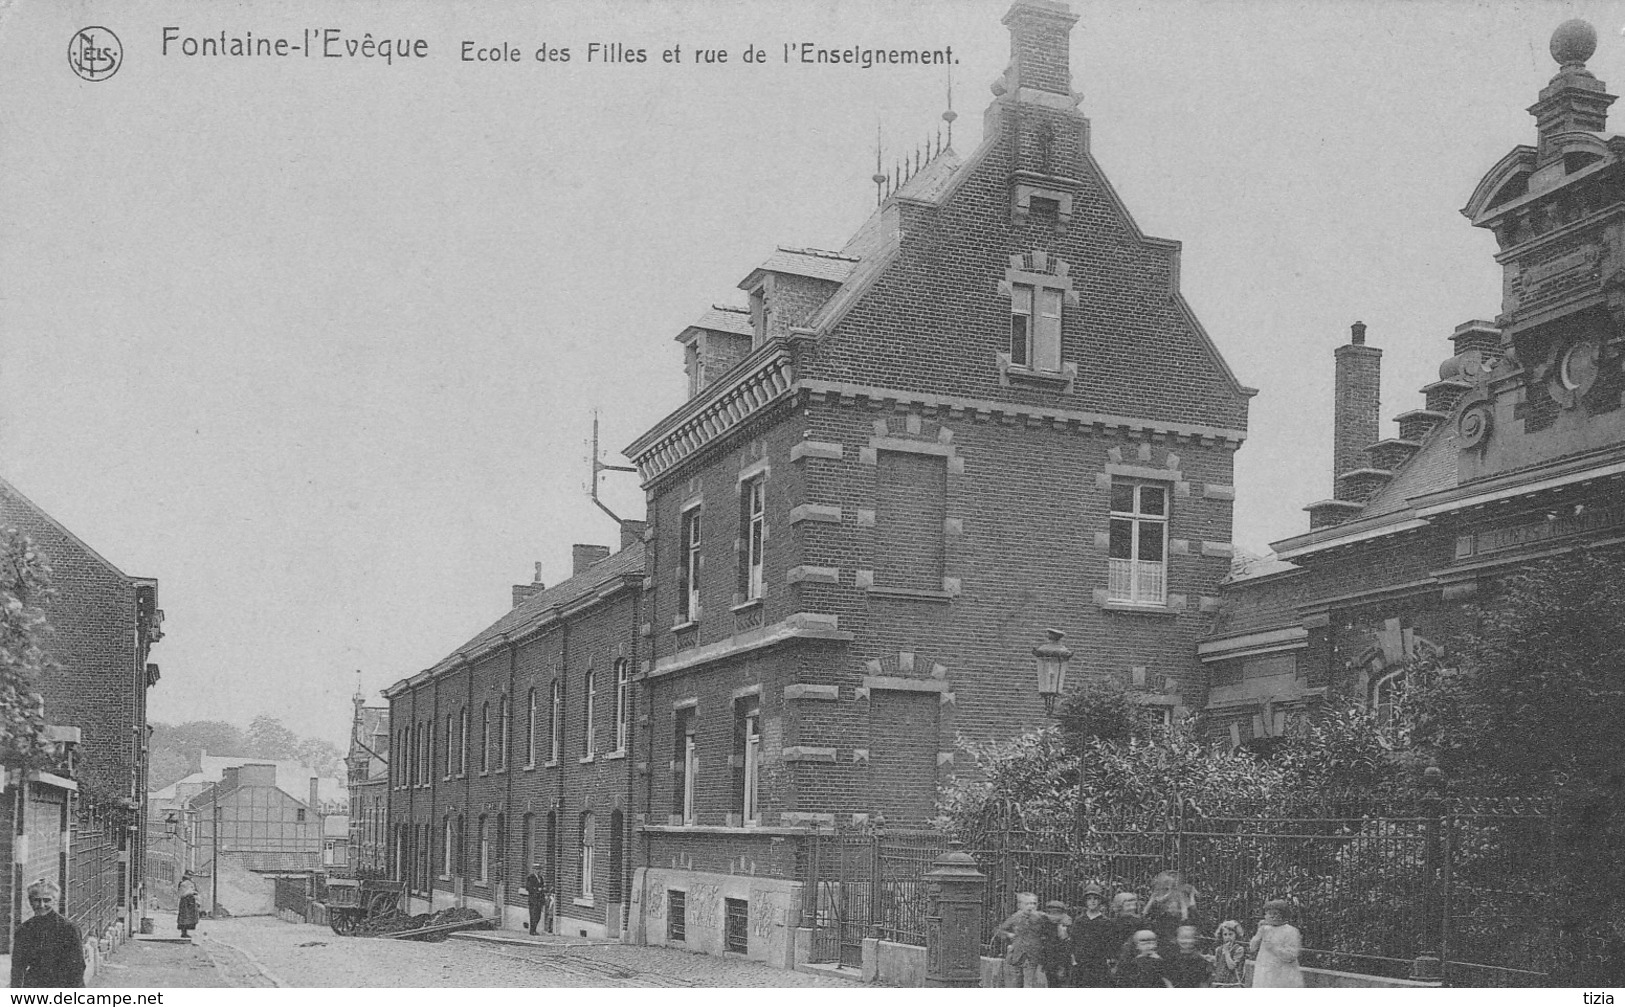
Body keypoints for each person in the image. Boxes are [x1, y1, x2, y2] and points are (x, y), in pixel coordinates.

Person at [11, 880, 85, 988]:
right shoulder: (23, 930)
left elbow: (77, 968)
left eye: (47, 900)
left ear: (55, 901)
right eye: (37, 900)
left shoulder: (69, 929)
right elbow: (17, 968)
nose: (41, 905)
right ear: (30, 901)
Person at [995, 892, 1048, 987]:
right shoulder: (1015, 917)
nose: (1031, 906)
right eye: (1027, 903)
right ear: (1020, 905)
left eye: (1034, 903)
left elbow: (1047, 933)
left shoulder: (1041, 918)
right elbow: (1000, 931)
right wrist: (1009, 935)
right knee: (1014, 983)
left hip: (1033, 954)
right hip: (1016, 954)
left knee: (1030, 983)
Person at [1249, 899, 1305, 988]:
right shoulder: (1264, 929)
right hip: (1264, 973)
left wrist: (1274, 948)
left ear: (1283, 915)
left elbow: (1292, 955)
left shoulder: (1291, 931)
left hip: (1283, 974)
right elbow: (1252, 948)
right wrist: (1258, 934)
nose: (1271, 917)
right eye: (1268, 913)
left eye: (1275, 913)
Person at [1069, 884, 1116, 987]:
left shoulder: (1106, 922)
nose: (1092, 901)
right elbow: (1073, 941)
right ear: (1085, 902)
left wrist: (1109, 960)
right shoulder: (1079, 921)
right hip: (1081, 962)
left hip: (1099, 963)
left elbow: (1110, 943)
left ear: (1100, 901)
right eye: (1089, 899)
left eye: (1096, 898)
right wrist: (1073, 960)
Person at [1143, 870, 1199, 951]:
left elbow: (1186, 910)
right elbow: (1148, 910)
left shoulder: (1180, 893)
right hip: (1165, 922)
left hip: (1176, 922)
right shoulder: (1159, 895)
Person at [1108, 890, 1144, 980]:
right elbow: (1110, 941)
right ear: (1119, 907)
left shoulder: (1140, 922)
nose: (1132, 908)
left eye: (1133, 905)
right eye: (1128, 905)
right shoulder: (1112, 923)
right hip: (1118, 958)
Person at [1040, 900, 1073, 987]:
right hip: (1049, 959)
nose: (1053, 915)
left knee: (1061, 980)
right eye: (1051, 912)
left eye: (1056, 912)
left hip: (1062, 959)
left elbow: (1068, 942)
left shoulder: (1065, 924)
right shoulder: (1045, 923)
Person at [1211, 920, 1247, 987]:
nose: (1228, 937)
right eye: (1225, 934)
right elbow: (1217, 965)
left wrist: (1227, 952)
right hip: (1220, 983)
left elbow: (1231, 967)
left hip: (1233, 983)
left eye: (1230, 934)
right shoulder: (1219, 949)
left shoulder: (1239, 949)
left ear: (1236, 935)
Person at [521, 863, 551, 935]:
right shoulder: (530, 877)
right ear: (534, 870)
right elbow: (528, 888)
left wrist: (544, 889)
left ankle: (534, 929)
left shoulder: (540, 878)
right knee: (533, 915)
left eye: (539, 870)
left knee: (538, 916)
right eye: (537, 869)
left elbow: (542, 886)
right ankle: (532, 931)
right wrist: (537, 889)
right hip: (533, 899)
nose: (538, 871)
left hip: (539, 900)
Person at [177, 872, 200, 939]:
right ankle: (184, 932)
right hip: (186, 901)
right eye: (190, 876)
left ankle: (185, 932)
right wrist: (192, 892)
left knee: (188, 917)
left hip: (190, 901)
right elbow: (182, 893)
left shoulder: (190, 883)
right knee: (185, 917)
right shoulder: (184, 883)